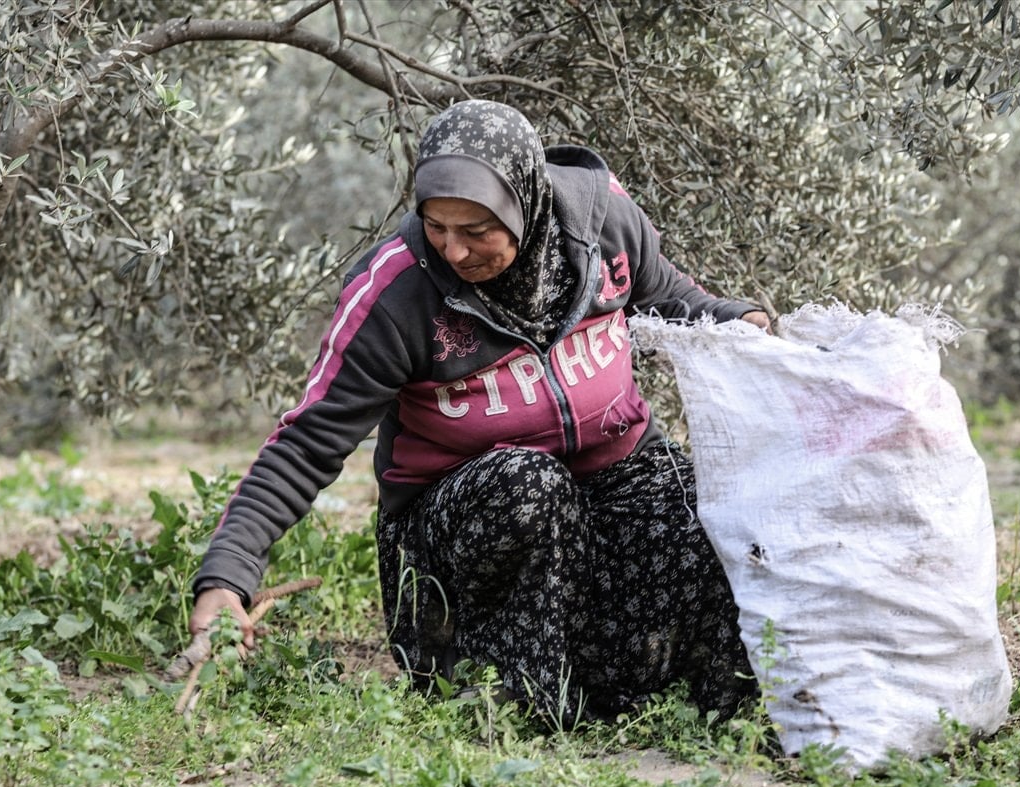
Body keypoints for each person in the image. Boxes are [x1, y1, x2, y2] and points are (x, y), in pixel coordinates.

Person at [187, 99, 772, 724]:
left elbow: (671, 299)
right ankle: (511, 699)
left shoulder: (603, 224)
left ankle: (710, 704)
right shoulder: (396, 294)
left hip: (606, 481)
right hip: (466, 529)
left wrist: (742, 322)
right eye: (437, 227)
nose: (454, 251)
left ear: (524, 204)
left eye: (476, 231)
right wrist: (227, 577)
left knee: (698, 501)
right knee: (528, 485)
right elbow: (307, 445)